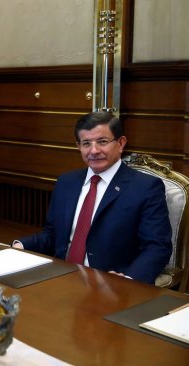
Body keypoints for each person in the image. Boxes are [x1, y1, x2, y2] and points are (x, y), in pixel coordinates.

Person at [13, 111, 171, 284]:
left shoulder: (146, 187)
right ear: (78, 146)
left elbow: (156, 248)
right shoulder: (67, 182)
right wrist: (22, 245)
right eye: (86, 143)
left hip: (109, 285)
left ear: (120, 143)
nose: (94, 151)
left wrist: (128, 280)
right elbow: (53, 235)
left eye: (102, 142)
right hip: (59, 279)